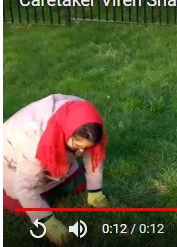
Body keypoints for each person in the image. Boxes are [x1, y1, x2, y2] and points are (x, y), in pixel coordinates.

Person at [3, 94, 110, 246]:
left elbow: (93, 155)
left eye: (85, 147)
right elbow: (23, 187)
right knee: (22, 206)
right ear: (67, 133)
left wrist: (95, 191)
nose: (82, 151)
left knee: (78, 185)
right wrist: (48, 222)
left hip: (55, 153)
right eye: (78, 146)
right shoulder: (34, 138)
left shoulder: (84, 118)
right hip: (12, 157)